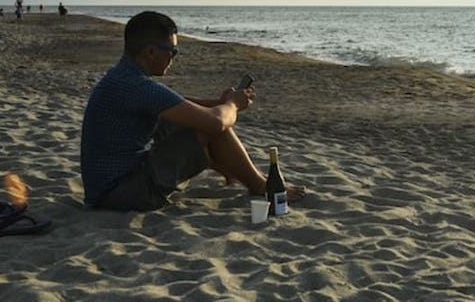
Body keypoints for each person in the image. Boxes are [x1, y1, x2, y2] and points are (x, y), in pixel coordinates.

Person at [80, 11, 306, 211]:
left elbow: (180, 105)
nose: (174, 58)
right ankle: (259, 185)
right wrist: (232, 105)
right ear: (150, 52)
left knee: (191, 119)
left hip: (107, 190)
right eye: (172, 51)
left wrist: (220, 102)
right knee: (209, 125)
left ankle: (245, 175)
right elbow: (215, 123)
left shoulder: (123, 79)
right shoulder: (138, 87)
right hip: (122, 194)